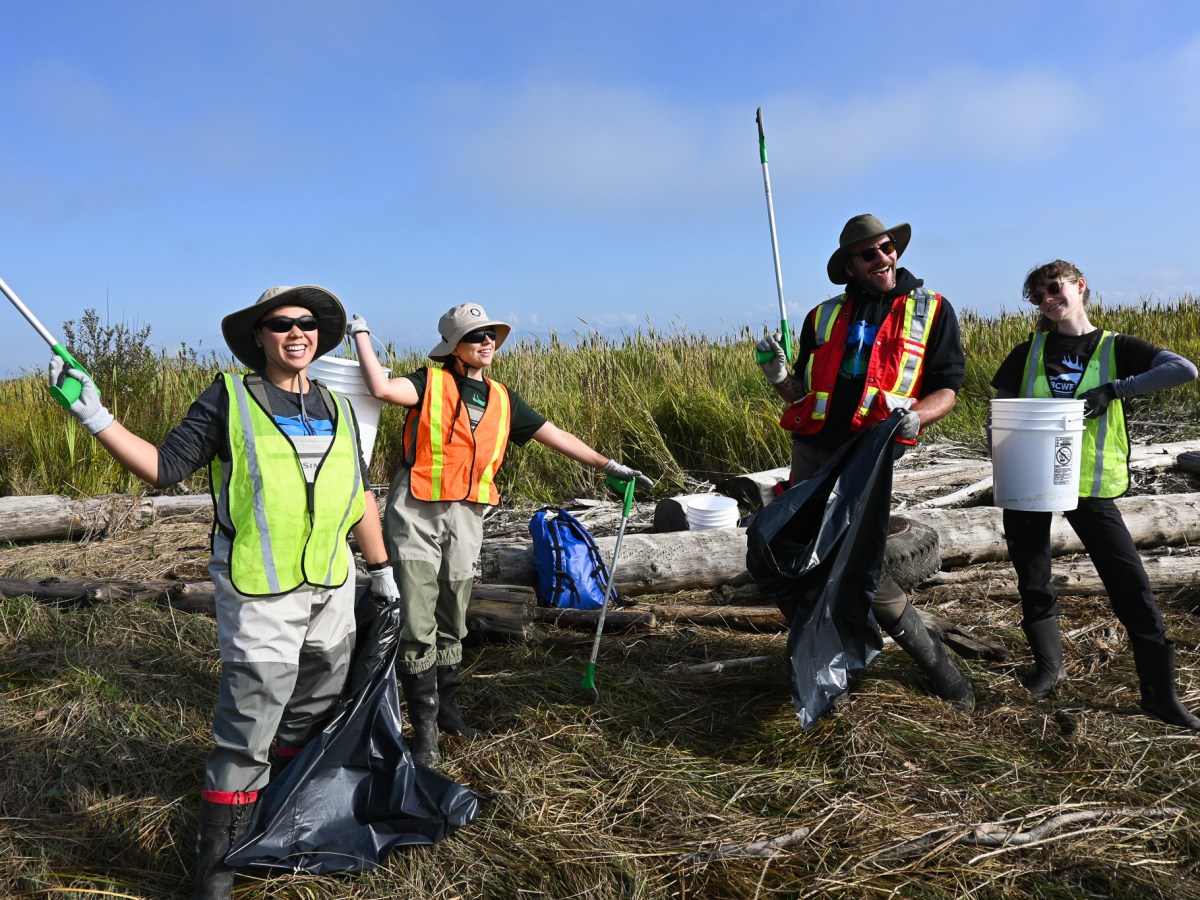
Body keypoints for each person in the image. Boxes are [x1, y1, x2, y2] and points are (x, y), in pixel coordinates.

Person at [47, 285, 400, 900]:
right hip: (260, 589)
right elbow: (163, 468)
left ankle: (278, 821)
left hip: (332, 584)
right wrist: (94, 415)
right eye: (281, 323)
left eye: (307, 322)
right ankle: (216, 874)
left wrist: (383, 570)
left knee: (315, 701)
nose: (297, 332)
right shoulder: (228, 398)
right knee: (249, 724)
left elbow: (359, 494)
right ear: (259, 336)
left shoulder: (341, 409)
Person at [349, 303, 652, 765]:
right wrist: (361, 335)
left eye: (491, 334)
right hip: (416, 511)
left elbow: (555, 434)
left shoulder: (503, 399)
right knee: (417, 615)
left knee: (453, 614)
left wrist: (608, 465)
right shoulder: (428, 382)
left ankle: (449, 714)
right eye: (476, 335)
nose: (487, 341)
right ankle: (424, 729)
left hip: (467, 515)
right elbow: (380, 388)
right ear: (454, 347)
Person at [755, 213, 974, 709]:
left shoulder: (932, 309)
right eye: (869, 253)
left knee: (856, 561)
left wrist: (918, 416)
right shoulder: (823, 316)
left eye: (887, 248)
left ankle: (940, 671)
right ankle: (829, 674)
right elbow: (802, 393)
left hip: (868, 455)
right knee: (804, 558)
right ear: (849, 265)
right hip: (813, 449)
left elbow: (948, 388)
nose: (882, 258)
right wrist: (778, 376)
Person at [991, 259, 1200, 729]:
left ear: (1080, 286)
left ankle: (1160, 696)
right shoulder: (1027, 351)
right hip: (1028, 482)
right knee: (1033, 576)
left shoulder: (1116, 348)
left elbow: (1183, 369)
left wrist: (1115, 389)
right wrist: (1002, 465)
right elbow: (1000, 413)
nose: (1048, 300)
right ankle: (1050, 670)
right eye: (1038, 296)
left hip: (1089, 484)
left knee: (1130, 584)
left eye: (1054, 288)